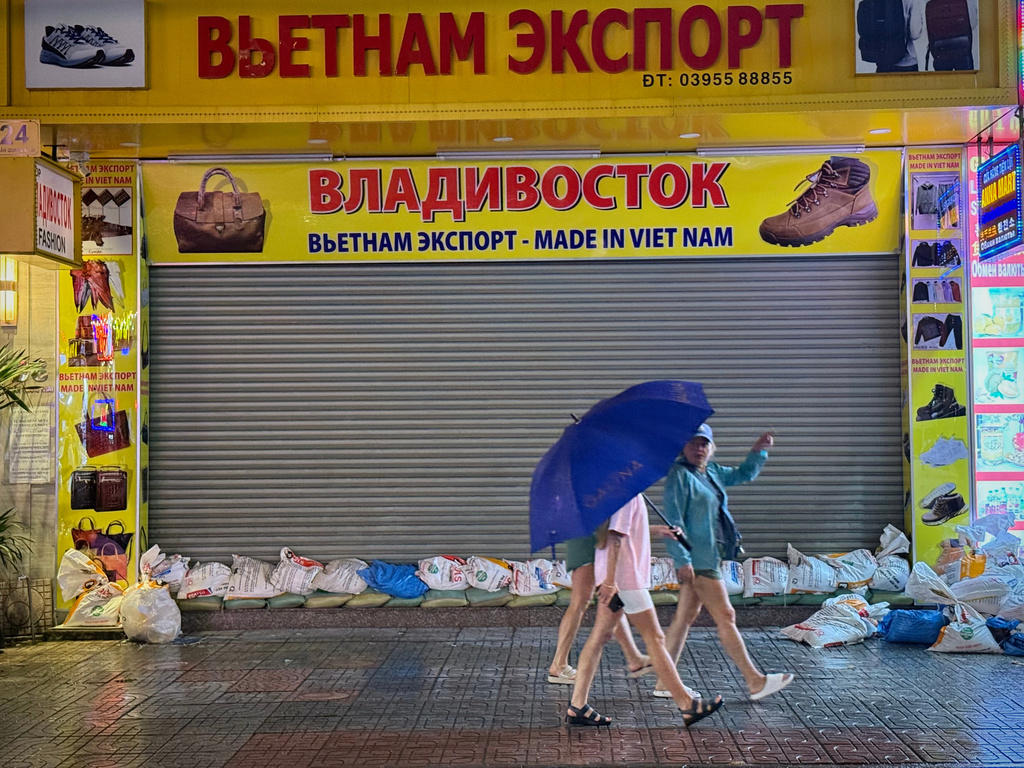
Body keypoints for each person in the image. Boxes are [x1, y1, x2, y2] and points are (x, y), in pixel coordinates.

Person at [654, 424, 795, 702]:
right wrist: (681, 559)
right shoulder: (679, 476)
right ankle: (755, 681)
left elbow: (744, 474)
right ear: (683, 447)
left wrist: (758, 451)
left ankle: (663, 682)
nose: (699, 449)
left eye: (704, 443)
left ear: (712, 447)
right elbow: (674, 523)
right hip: (697, 558)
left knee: (684, 619)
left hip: (710, 555)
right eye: (693, 443)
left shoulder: (712, 472)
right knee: (726, 616)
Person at [566, 494, 724, 728]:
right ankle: (687, 703)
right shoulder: (626, 493)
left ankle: (577, 706)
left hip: (616, 578)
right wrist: (611, 582)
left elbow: (626, 529)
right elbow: (615, 537)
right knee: (655, 638)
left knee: (599, 637)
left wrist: (658, 530)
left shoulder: (623, 492)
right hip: (625, 580)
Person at [547, 534, 652, 685]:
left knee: (607, 600)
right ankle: (559, 665)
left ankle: (633, 657)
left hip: (592, 543)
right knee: (583, 601)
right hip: (590, 544)